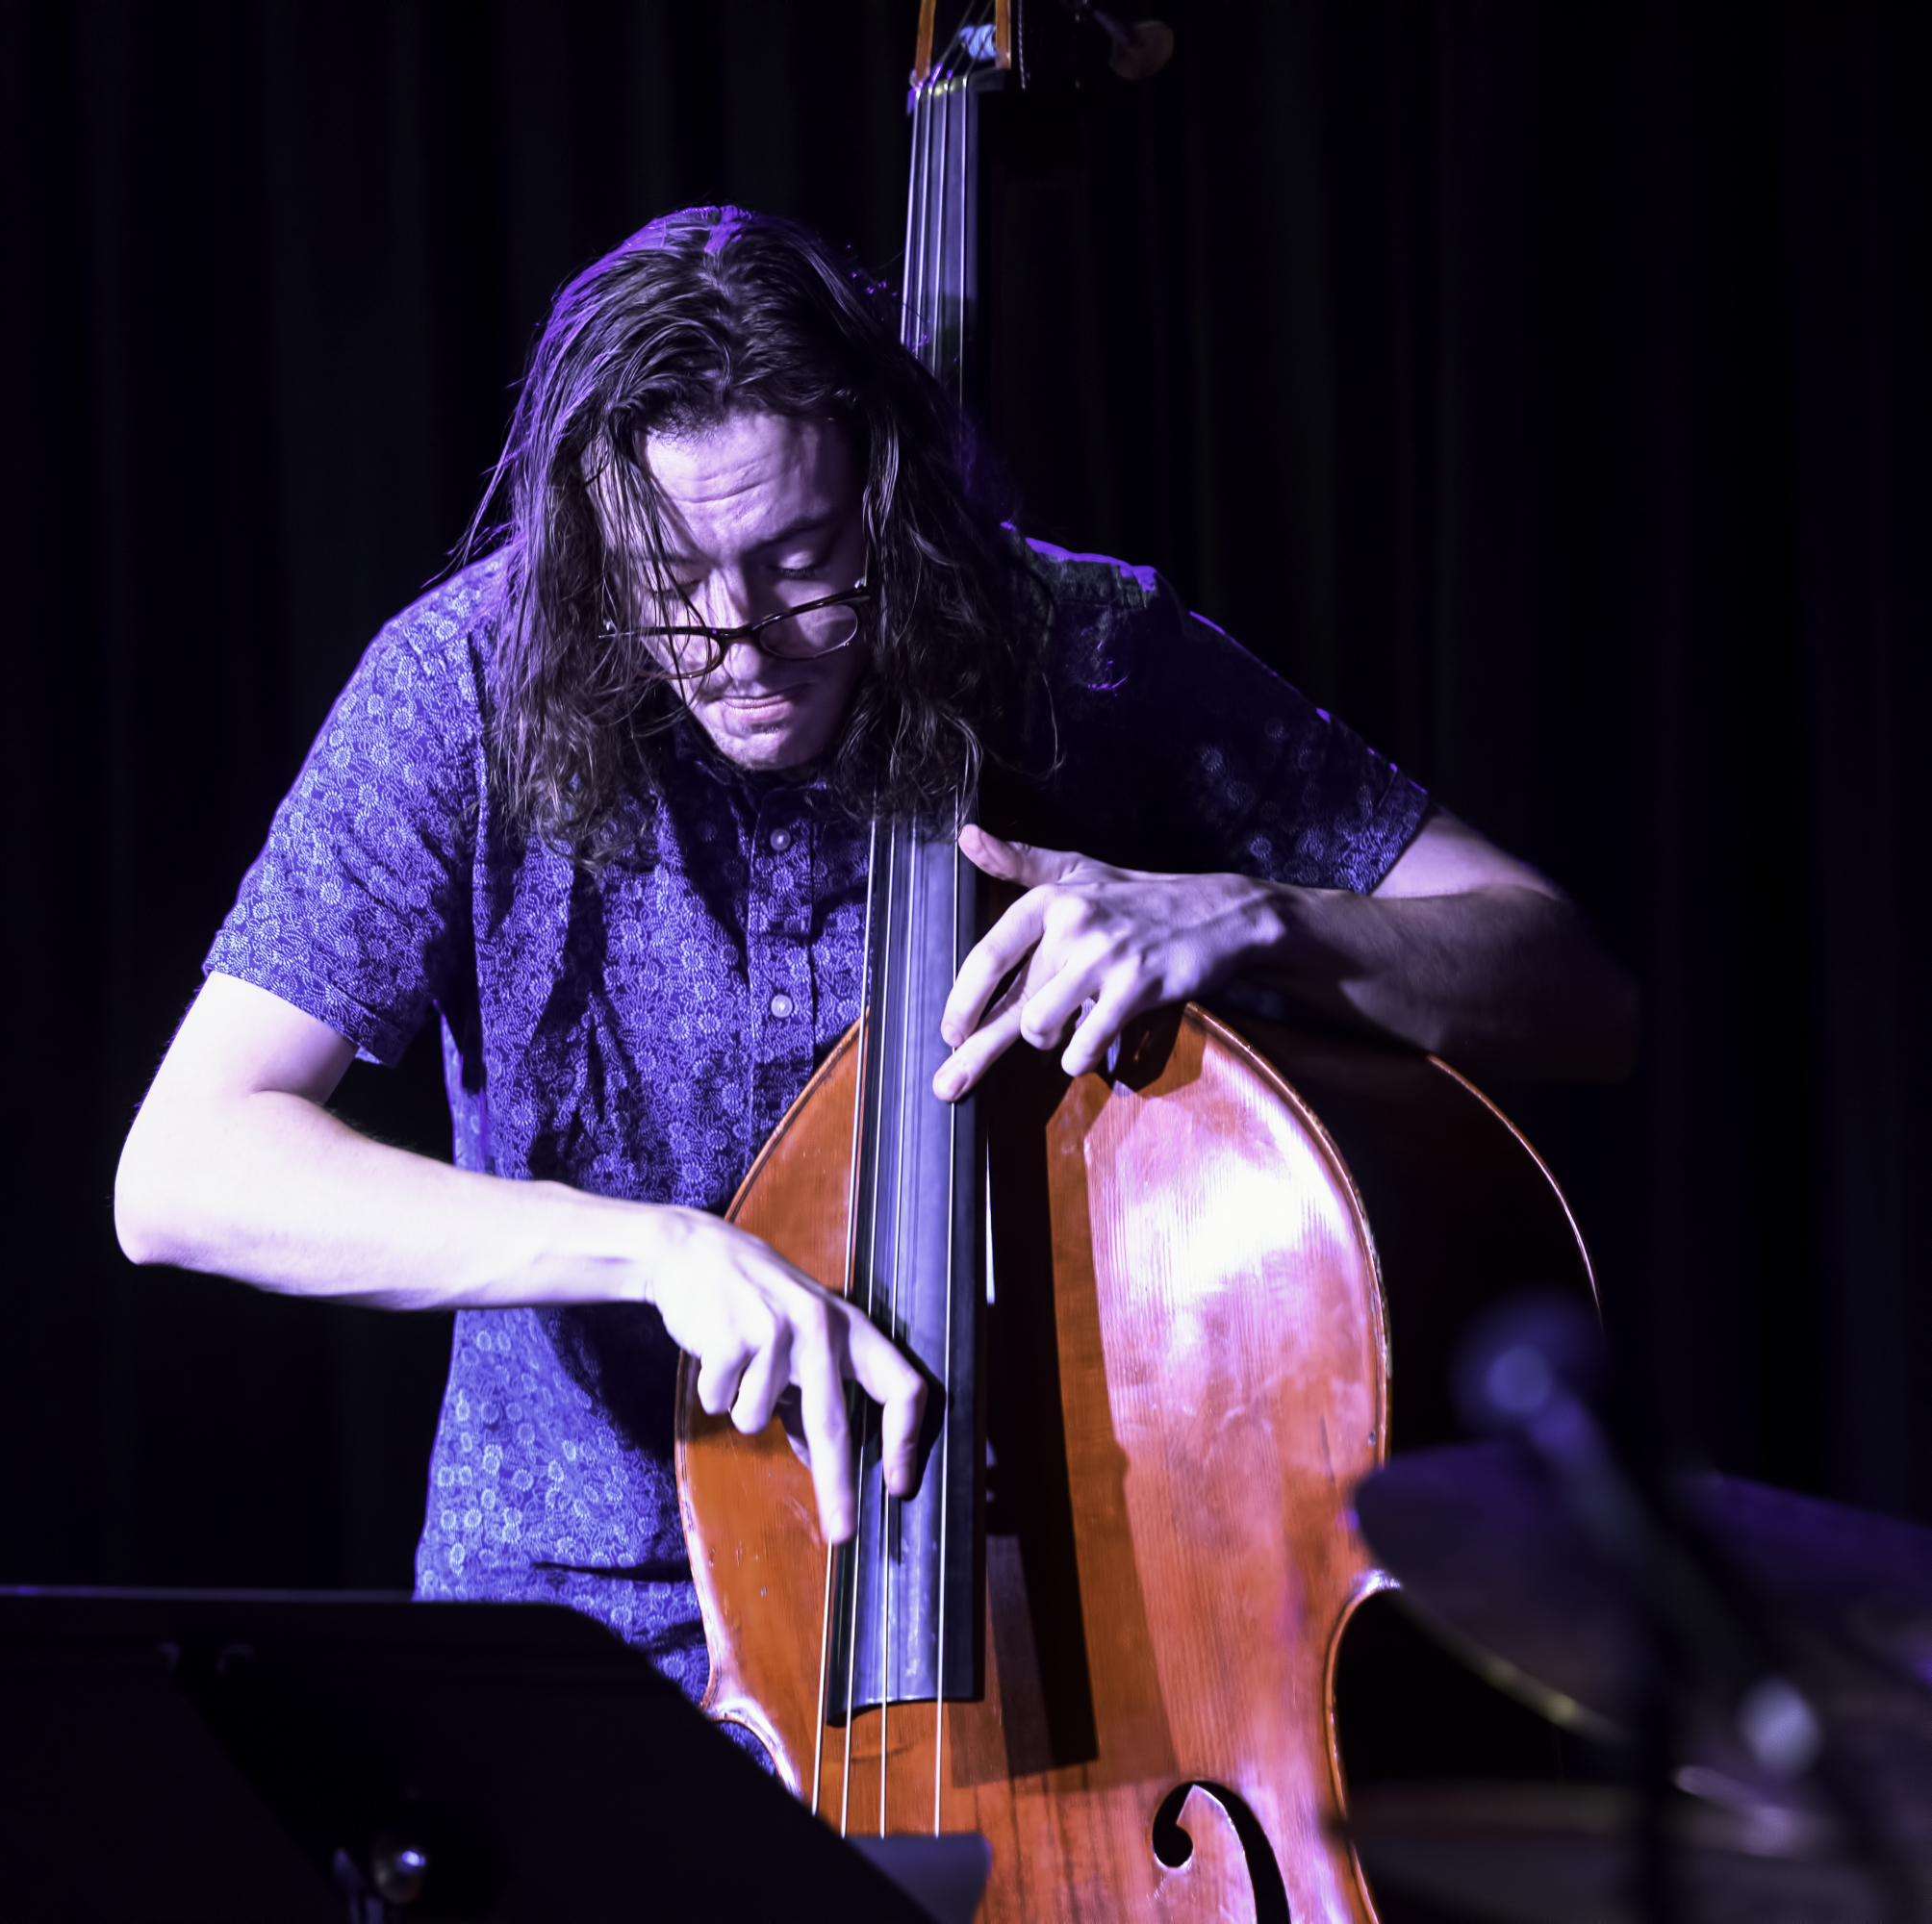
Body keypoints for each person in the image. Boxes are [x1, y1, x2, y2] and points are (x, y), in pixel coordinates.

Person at [114, 206, 1638, 1704]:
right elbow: (183, 1173)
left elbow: (1570, 985)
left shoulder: (1073, 650)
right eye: (669, 579)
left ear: (886, 497)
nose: (740, 637)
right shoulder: (466, 680)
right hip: (588, 1642)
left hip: (1042, 1644)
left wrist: (1255, 912)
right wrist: (651, 1249)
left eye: (799, 561)